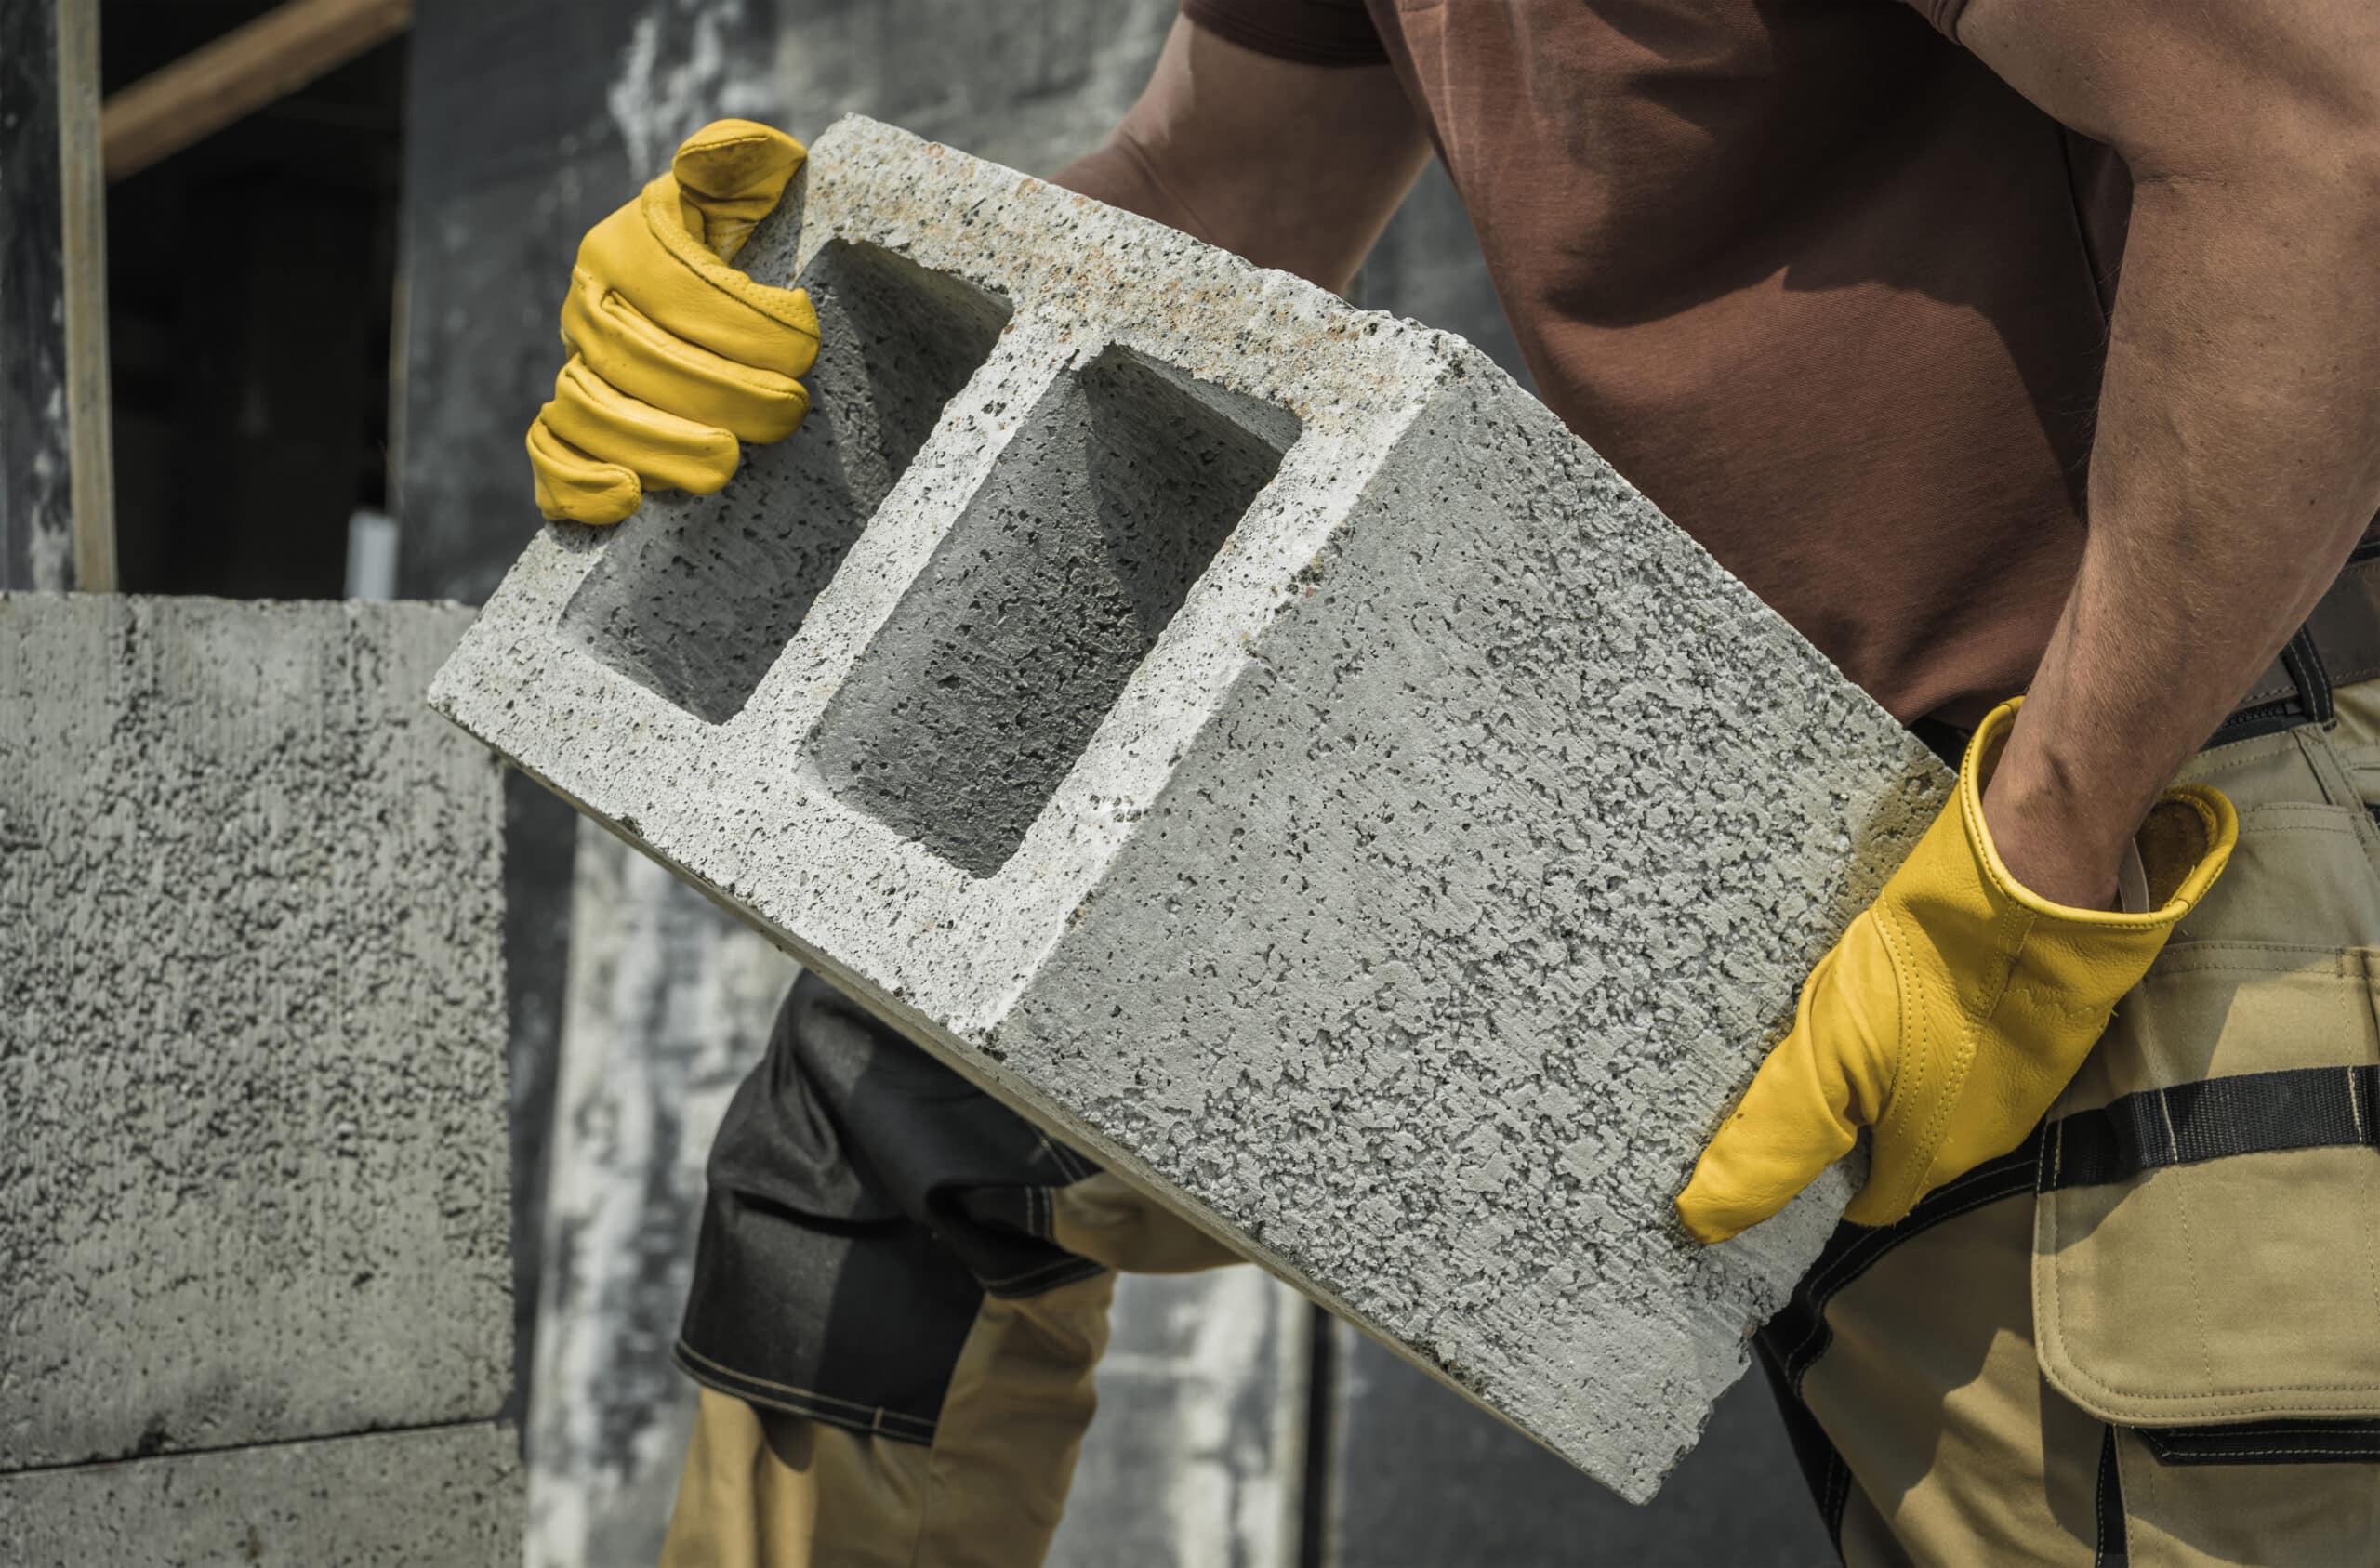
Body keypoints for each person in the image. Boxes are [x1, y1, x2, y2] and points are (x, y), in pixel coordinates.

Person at [525, 4, 2380, 1562]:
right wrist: (826, 315)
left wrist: (2041, 847)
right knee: (889, 1120)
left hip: (2154, 798)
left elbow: (2316, 140)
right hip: (1777, 835)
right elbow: (1216, 186)